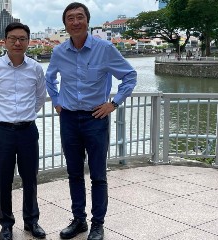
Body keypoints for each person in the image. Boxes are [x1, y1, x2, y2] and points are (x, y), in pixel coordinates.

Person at [45, 2, 137, 240]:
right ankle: (79, 220)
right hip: (68, 119)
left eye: (79, 17)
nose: (75, 22)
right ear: (64, 24)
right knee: (74, 173)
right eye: (70, 19)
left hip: (95, 118)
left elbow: (129, 76)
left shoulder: (104, 49)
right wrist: (56, 100)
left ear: (88, 20)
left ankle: (98, 223)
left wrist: (113, 103)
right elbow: (50, 78)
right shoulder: (58, 52)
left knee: (98, 174)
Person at [0, 22, 47, 240]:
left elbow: (40, 97)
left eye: (22, 39)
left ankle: (31, 221)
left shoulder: (36, 68)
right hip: (2, 131)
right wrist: (1, 116)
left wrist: (24, 116)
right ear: (5, 41)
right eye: (13, 38)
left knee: (30, 179)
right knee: (4, 180)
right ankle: (6, 224)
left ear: (28, 41)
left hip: (28, 131)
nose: (17, 43)